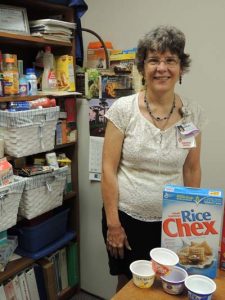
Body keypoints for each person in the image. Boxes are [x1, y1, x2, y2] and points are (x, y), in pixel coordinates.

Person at [101, 25, 206, 291]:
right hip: (124, 220)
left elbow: (192, 169)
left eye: (170, 60)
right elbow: (108, 169)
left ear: (181, 68)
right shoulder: (123, 110)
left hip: (170, 224)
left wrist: (187, 223)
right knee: (128, 284)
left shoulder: (189, 115)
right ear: (142, 67)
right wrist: (113, 223)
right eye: (154, 60)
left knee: (167, 286)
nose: (162, 68)